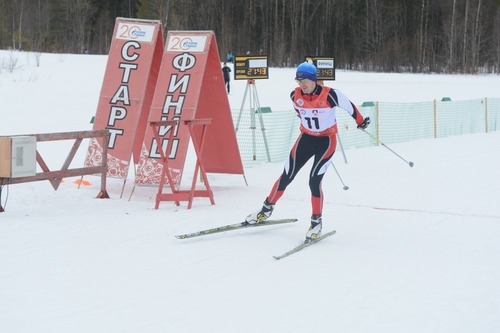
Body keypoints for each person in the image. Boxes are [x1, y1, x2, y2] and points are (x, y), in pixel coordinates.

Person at [244, 62, 371, 242]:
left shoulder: (331, 95)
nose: (301, 84)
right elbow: (300, 113)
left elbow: (350, 107)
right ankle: (265, 210)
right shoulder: (294, 96)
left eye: (305, 80)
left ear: (314, 80)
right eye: (299, 80)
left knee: (314, 181)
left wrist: (360, 122)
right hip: (306, 139)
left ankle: (316, 222)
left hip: (326, 142)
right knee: (286, 175)